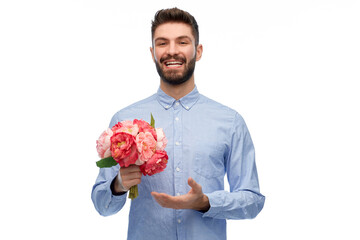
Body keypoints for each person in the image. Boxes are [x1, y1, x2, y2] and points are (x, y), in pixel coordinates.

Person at [92, 7, 265, 240]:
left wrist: (206, 202)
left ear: (198, 50)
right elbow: (103, 206)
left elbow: (252, 201)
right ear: (153, 52)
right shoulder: (124, 122)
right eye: (162, 43)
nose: (172, 51)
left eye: (182, 42)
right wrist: (118, 185)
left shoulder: (230, 122)